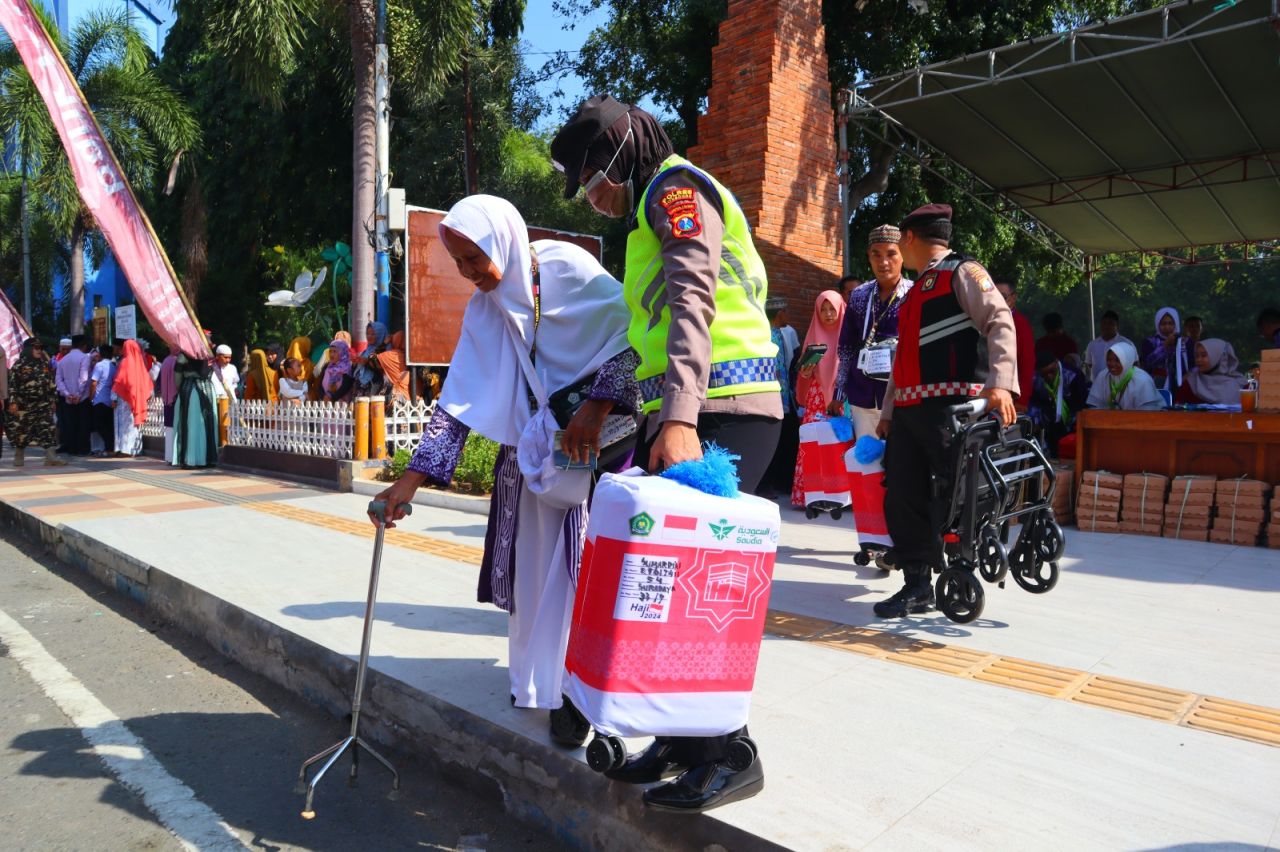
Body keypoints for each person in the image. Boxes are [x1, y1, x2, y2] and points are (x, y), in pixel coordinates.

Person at [552, 94, 779, 811]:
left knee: (705, 590)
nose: (591, 198)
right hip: (683, 414)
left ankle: (732, 751)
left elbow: (692, 302)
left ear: (618, 155)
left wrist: (678, 419)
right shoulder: (651, 206)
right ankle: (684, 740)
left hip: (722, 411)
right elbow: (643, 334)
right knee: (673, 593)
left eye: (592, 180)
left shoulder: (675, 191)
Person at [373, 194, 637, 751]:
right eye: (460, 264)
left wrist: (597, 405)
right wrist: (409, 482)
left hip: (599, 452)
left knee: (582, 573)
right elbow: (460, 401)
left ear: (503, 241)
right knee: (533, 578)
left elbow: (633, 335)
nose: (471, 275)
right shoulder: (485, 310)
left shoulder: (566, 269)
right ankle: (539, 682)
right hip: (534, 458)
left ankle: (577, 692)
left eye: (475, 259)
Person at [874, 203, 1018, 619]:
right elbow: (904, 357)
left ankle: (960, 571)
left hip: (953, 410)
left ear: (912, 238)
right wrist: (887, 412)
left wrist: (1001, 384)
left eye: (901, 239)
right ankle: (917, 583)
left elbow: (999, 320)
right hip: (909, 414)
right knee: (903, 495)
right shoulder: (917, 288)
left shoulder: (963, 272)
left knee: (957, 496)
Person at [832, 226, 912, 437]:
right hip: (862, 395)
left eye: (891, 254)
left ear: (903, 253)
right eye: (876, 254)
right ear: (869, 257)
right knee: (866, 460)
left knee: (899, 464)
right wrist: (839, 392)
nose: (883, 262)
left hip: (902, 397)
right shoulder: (859, 295)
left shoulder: (914, 294)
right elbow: (846, 348)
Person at [790, 290, 845, 507]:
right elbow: (804, 374)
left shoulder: (849, 335)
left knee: (838, 447)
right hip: (817, 398)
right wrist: (805, 372)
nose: (828, 314)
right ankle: (809, 497)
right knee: (813, 446)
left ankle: (840, 496)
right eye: (823, 310)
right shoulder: (813, 335)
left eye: (832, 309)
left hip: (842, 399)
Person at [7, 338, 68, 467]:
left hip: (43, 404)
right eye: (36, 348)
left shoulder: (44, 364)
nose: (40, 351)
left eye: (41, 348)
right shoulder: (18, 365)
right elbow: (12, 386)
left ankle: (51, 458)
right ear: (29, 349)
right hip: (24, 404)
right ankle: (19, 458)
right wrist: (13, 402)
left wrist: (52, 400)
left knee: (48, 429)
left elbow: (51, 384)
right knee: (21, 431)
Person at [1027, 351, 1088, 457]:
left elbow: (1082, 403)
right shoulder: (1035, 379)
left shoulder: (1073, 375)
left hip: (1071, 422)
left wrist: (1075, 425)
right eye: (1044, 374)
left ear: (1056, 362)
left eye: (1052, 371)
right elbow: (1033, 403)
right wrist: (1035, 422)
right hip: (1048, 424)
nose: (1049, 377)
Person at [993, 279, 1035, 414]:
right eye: (993, 295)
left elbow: (1027, 363)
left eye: (1002, 296)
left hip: (1011, 399)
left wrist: (1021, 401)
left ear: (1013, 298)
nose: (997, 300)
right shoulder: (986, 321)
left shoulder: (1020, 324)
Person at [1086, 341, 1163, 411]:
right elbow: (1095, 406)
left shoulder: (1143, 380)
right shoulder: (1103, 376)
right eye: (1109, 360)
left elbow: (1147, 413)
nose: (1112, 364)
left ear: (1127, 360)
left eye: (1117, 360)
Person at [172, 352, 218, 467]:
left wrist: (180, 388)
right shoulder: (208, 353)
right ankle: (207, 459)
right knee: (207, 424)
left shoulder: (184, 355)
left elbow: (177, 377)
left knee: (190, 425)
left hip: (190, 389)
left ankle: (190, 460)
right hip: (208, 389)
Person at [112, 339, 153, 457]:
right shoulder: (140, 363)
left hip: (124, 400)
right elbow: (148, 384)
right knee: (134, 425)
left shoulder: (124, 362)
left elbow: (118, 382)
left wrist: (113, 398)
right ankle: (134, 449)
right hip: (136, 400)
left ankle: (124, 449)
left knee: (123, 425)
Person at [55, 334, 92, 455]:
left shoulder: (62, 360)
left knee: (70, 424)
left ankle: (72, 449)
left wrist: (67, 394)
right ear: (84, 346)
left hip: (68, 399)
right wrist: (78, 394)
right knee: (83, 424)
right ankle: (82, 449)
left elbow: (58, 380)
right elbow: (84, 377)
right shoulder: (84, 358)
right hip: (82, 398)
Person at [1179, 339, 1248, 405]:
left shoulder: (1240, 383)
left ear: (1217, 357)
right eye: (1196, 356)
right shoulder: (1191, 383)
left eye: (1203, 355)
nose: (1198, 360)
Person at [1140, 307, 1190, 391]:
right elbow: (1147, 363)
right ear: (1157, 324)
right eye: (1163, 324)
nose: (1167, 327)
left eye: (1170, 323)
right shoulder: (1150, 342)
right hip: (1155, 386)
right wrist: (1165, 345)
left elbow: (1187, 365)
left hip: (1178, 386)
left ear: (1176, 324)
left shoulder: (1183, 342)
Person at [1083, 310, 1133, 381]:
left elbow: (1135, 365)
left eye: (1110, 323)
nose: (1106, 326)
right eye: (1104, 323)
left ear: (1117, 326)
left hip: (1120, 387)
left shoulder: (1126, 343)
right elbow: (1088, 365)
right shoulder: (1092, 344)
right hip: (1097, 386)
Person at [89, 343, 117, 456]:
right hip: (109, 400)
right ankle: (109, 447)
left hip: (99, 400)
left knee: (99, 425)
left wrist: (90, 396)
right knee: (108, 426)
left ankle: (108, 446)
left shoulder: (99, 366)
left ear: (101, 354)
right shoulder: (114, 366)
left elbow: (94, 382)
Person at [374, 331, 411, 403]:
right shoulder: (409, 356)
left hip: (397, 397)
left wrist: (384, 343)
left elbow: (371, 360)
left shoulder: (392, 356)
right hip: (409, 398)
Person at [767, 297, 800, 371]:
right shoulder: (772, 336)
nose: (788, 315)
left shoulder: (778, 332)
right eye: (786, 312)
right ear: (780, 314)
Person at [320, 337, 355, 402]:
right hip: (326, 403)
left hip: (342, 404)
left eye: (335, 351)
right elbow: (320, 386)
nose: (331, 354)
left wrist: (332, 398)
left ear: (342, 352)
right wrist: (323, 396)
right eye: (330, 351)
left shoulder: (347, 368)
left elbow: (345, 387)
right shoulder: (327, 367)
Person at [158, 348, 179, 462]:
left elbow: (159, 382)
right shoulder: (178, 361)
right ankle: (175, 457)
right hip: (176, 397)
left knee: (169, 428)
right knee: (176, 427)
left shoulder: (166, 361)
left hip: (167, 399)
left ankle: (169, 457)